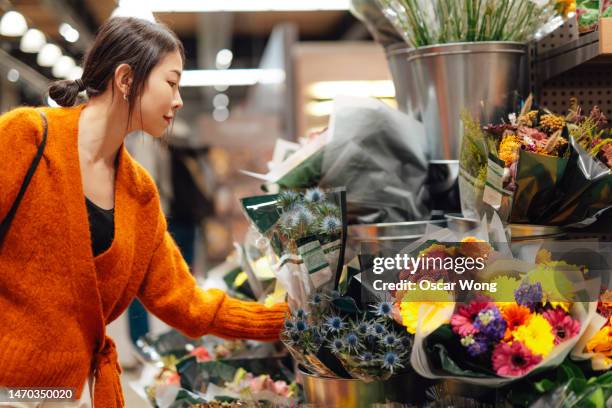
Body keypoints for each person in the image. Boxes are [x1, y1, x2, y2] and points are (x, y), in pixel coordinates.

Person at [0, 17, 287, 407]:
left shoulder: (138, 193)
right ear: (125, 79)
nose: (179, 98)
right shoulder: (27, 136)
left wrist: (287, 319)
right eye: (171, 82)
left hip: (68, 393)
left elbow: (183, 301)